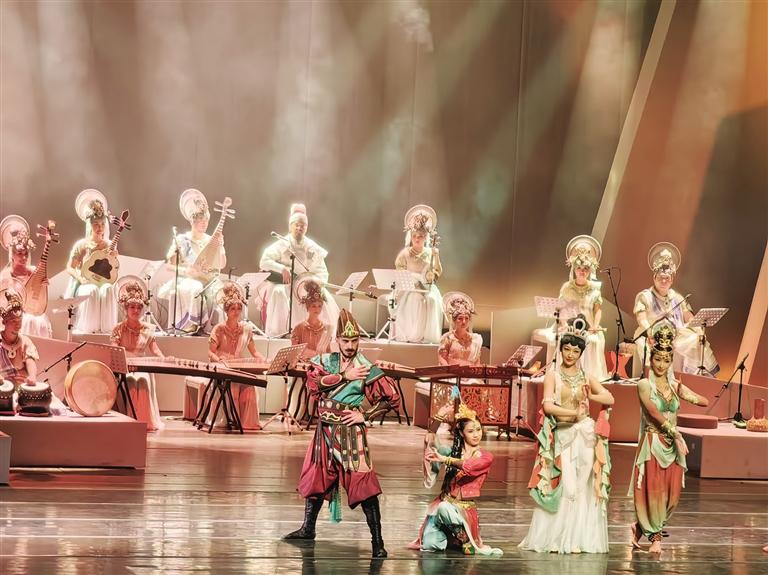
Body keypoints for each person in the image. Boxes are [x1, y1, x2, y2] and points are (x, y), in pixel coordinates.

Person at [283, 310, 400, 558]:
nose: (349, 346)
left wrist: (365, 415)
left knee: (364, 484)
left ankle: (377, 542)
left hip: (350, 432)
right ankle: (308, 528)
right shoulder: (325, 361)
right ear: (337, 340)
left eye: (354, 341)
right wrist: (344, 376)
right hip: (324, 430)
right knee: (316, 478)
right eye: (345, 341)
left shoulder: (366, 367)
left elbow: (392, 398)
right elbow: (313, 384)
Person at [519, 315, 614, 554]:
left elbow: (609, 398)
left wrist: (591, 396)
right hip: (563, 435)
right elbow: (548, 406)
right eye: (567, 349)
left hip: (585, 434)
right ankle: (560, 537)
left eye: (575, 351)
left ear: (581, 353)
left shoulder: (586, 376)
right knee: (567, 486)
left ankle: (578, 538)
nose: (570, 354)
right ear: (560, 349)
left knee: (583, 486)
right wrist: (573, 413)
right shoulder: (553, 375)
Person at [630, 322, 709, 554]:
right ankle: (655, 538)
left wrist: (686, 393)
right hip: (654, 443)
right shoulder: (644, 384)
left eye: (666, 361)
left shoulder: (674, 385)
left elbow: (703, 401)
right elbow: (653, 413)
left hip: (673, 447)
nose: (661, 365)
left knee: (672, 496)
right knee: (654, 493)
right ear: (651, 359)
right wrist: (675, 433)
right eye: (657, 359)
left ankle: (639, 527)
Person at [408, 402, 503, 556]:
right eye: (471, 431)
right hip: (444, 504)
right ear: (462, 433)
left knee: (444, 508)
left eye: (478, 429)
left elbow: (469, 467)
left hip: (462, 511)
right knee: (431, 544)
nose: (476, 434)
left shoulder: (485, 457)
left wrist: (445, 459)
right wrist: (439, 417)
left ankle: (464, 538)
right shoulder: (453, 452)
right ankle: (451, 537)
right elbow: (431, 442)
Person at [633, 242, 719, 376]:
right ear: (654, 278)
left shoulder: (678, 298)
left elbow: (689, 318)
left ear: (672, 280)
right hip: (652, 334)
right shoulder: (645, 296)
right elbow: (641, 319)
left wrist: (699, 330)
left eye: (667, 278)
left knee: (695, 338)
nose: (664, 281)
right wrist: (650, 333)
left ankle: (694, 377)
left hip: (674, 335)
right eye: (661, 278)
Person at [259, 203, 339, 337]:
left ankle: (321, 333)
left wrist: (316, 283)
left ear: (306, 228)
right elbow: (264, 262)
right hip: (288, 284)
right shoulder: (282, 243)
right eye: (296, 225)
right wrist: (282, 268)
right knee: (279, 292)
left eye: (303, 226)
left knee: (325, 296)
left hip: (307, 285)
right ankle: (283, 332)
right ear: (290, 226)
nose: (299, 228)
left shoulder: (312, 247)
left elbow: (322, 272)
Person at [158, 189, 225, 333]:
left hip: (208, 279)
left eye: (206, 220)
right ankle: (194, 323)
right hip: (187, 279)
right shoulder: (182, 240)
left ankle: (217, 329)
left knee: (222, 291)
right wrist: (185, 271)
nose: (204, 223)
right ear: (192, 221)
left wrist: (220, 246)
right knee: (196, 288)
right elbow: (169, 266)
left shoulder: (211, 240)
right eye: (200, 220)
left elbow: (222, 264)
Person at [207, 282, 264, 430]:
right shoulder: (219, 328)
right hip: (222, 367)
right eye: (233, 308)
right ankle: (231, 420)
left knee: (250, 386)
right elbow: (210, 352)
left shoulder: (246, 329)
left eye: (239, 308)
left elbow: (254, 352)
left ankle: (247, 422)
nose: (236, 311)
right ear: (226, 311)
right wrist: (219, 359)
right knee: (232, 385)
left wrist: (263, 360)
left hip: (238, 366)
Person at [110, 279, 165, 431]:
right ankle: (130, 420)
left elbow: (155, 350)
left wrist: (165, 359)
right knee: (131, 383)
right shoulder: (118, 329)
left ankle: (144, 421)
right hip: (124, 367)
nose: (136, 310)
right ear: (126, 308)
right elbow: (114, 350)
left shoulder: (148, 329)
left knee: (143, 381)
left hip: (142, 367)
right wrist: (125, 360)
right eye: (132, 307)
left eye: (139, 307)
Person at [555, 235, 608, 381]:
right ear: (574, 269)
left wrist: (595, 326)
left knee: (593, 341)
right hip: (569, 327)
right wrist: (564, 324)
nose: (582, 271)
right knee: (564, 338)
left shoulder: (595, 289)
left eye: (586, 268)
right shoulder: (567, 287)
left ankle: (590, 377)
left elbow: (597, 309)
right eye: (579, 268)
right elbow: (560, 310)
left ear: (590, 270)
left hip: (588, 327)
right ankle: (565, 375)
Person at [65, 189, 118, 333]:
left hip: (104, 281)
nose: (100, 228)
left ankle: (107, 330)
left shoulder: (109, 245)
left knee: (108, 289)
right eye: (96, 224)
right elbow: (70, 267)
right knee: (92, 291)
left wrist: (114, 256)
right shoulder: (82, 245)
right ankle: (89, 330)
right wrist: (80, 279)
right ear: (90, 225)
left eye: (102, 224)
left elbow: (112, 268)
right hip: (87, 282)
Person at [392, 205, 443, 344]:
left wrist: (435, 259)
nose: (417, 239)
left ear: (425, 237)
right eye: (414, 236)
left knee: (432, 300)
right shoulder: (405, 253)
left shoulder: (430, 252)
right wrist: (413, 281)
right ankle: (414, 335)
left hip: (426, 287)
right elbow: (400, 273)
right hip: (410, 287)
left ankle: (428, 336)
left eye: (420, 236)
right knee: (417, 299)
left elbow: (437, 271)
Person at [0, 215, 52, 337]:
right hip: (14, 317)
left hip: (33, 311)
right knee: (29, 321)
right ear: (12, 254)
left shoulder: (33, 271)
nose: (24, 257)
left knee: (39, 320)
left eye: (26, 253)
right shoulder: (5, 277)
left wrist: (44, 284)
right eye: (19, 253)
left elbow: (38, 297)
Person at [0, 289, 39, 387]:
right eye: (13, 321)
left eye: (19, 321)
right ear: (5, 322)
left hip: (21, 386)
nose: (18, 326)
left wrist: (32, 376)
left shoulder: (25, 341)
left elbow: (30, 360)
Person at [291, 278, 333, 360]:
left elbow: (328, 350)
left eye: (319, 306)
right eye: (313, 306)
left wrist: (333, 361)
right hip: (304, 364)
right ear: (308, 307)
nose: (317, 309)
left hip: (321, 364)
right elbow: (294, 351)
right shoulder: (299, 328)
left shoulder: (325, 328)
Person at [438, 292, 482, 367]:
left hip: (469, 373)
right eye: (460, 318)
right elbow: (442, 359)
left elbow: (477, 361)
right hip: (452, 373)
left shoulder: (475, 339)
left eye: (466, 318)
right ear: (454, 320)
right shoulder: (448, 338)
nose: (464, 322)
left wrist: (476, 372)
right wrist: (449, 372)